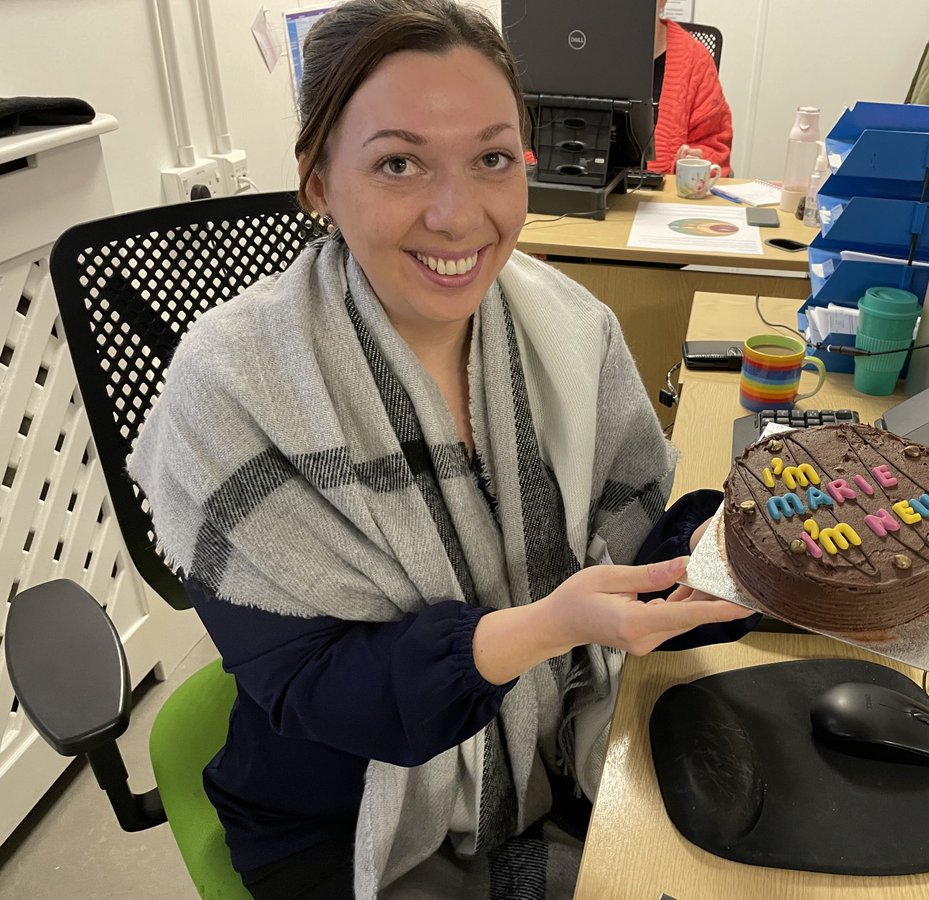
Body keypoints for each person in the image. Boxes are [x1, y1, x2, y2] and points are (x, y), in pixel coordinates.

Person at [126, 2, 756, 898]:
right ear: (317, 181)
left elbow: (624, 549)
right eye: (398, 163)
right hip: (337, 814)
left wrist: (727, 550)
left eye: (493, 159)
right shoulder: (230, 386)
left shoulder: (572, 332)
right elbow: (309, 688)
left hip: (554, 749)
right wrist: (551, 626)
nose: (460, 216)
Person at [651, 0, 734, 176]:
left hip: (668, 194)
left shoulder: (696, 61)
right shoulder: (587, 50)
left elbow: (716, 146)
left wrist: (696, 159)